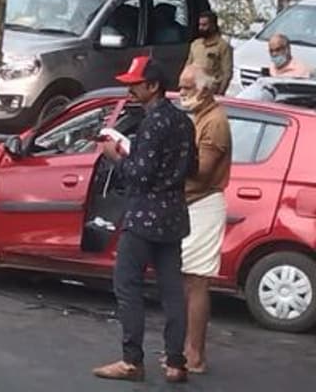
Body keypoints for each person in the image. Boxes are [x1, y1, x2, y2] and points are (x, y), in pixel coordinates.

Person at [93, 56, 196, 384]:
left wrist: (115, 158)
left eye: (135, 85)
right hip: (173, 216)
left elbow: (139, 175)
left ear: (153, 86)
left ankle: (131, 360)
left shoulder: (153, 123)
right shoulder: (184, 122)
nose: (131, 90)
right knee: (173, 292)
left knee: (127, 286)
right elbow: (192, 168)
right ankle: (176, 362)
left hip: (144, 216)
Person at [176, 65, 231, 375]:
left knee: (196, 281)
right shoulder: (201, 117)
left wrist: (166, 178)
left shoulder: (215, 121)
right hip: (193, 205)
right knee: (188, 281)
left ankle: (194, 354)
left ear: (205, 89)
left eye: (186, 87)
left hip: (203, 206)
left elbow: (202, 173)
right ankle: (186, 350)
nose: (181, 92)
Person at [187, 11, 233, 93]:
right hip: (193, 89)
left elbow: (227, 73)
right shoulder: (195, 44)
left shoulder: (223, 46)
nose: (201, 28)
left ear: (213, 26)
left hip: (210, 91)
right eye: (200, 25)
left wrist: (220, 93)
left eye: (204, 25)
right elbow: (188, 67)